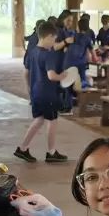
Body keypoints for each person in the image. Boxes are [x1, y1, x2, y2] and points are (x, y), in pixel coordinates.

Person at [14, 21, 68, 163]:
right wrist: (63, 76)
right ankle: (51, 152)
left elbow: (26, 73)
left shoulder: (32, 52)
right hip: (48, 93)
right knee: (52, 121)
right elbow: (51, 76)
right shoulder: (48, 55)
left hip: (36, 92)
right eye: (54, 39)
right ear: (48, 36)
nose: (54, 42)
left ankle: (23, 148)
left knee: (38, 120)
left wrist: (29, 88)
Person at [23, 19, 47, 92]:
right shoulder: (37, 36)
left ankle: (30, 89)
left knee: (31, 75)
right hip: (32, 57)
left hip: (30, 57)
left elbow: (24, 38)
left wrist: (24, 48)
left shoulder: (34, 35)